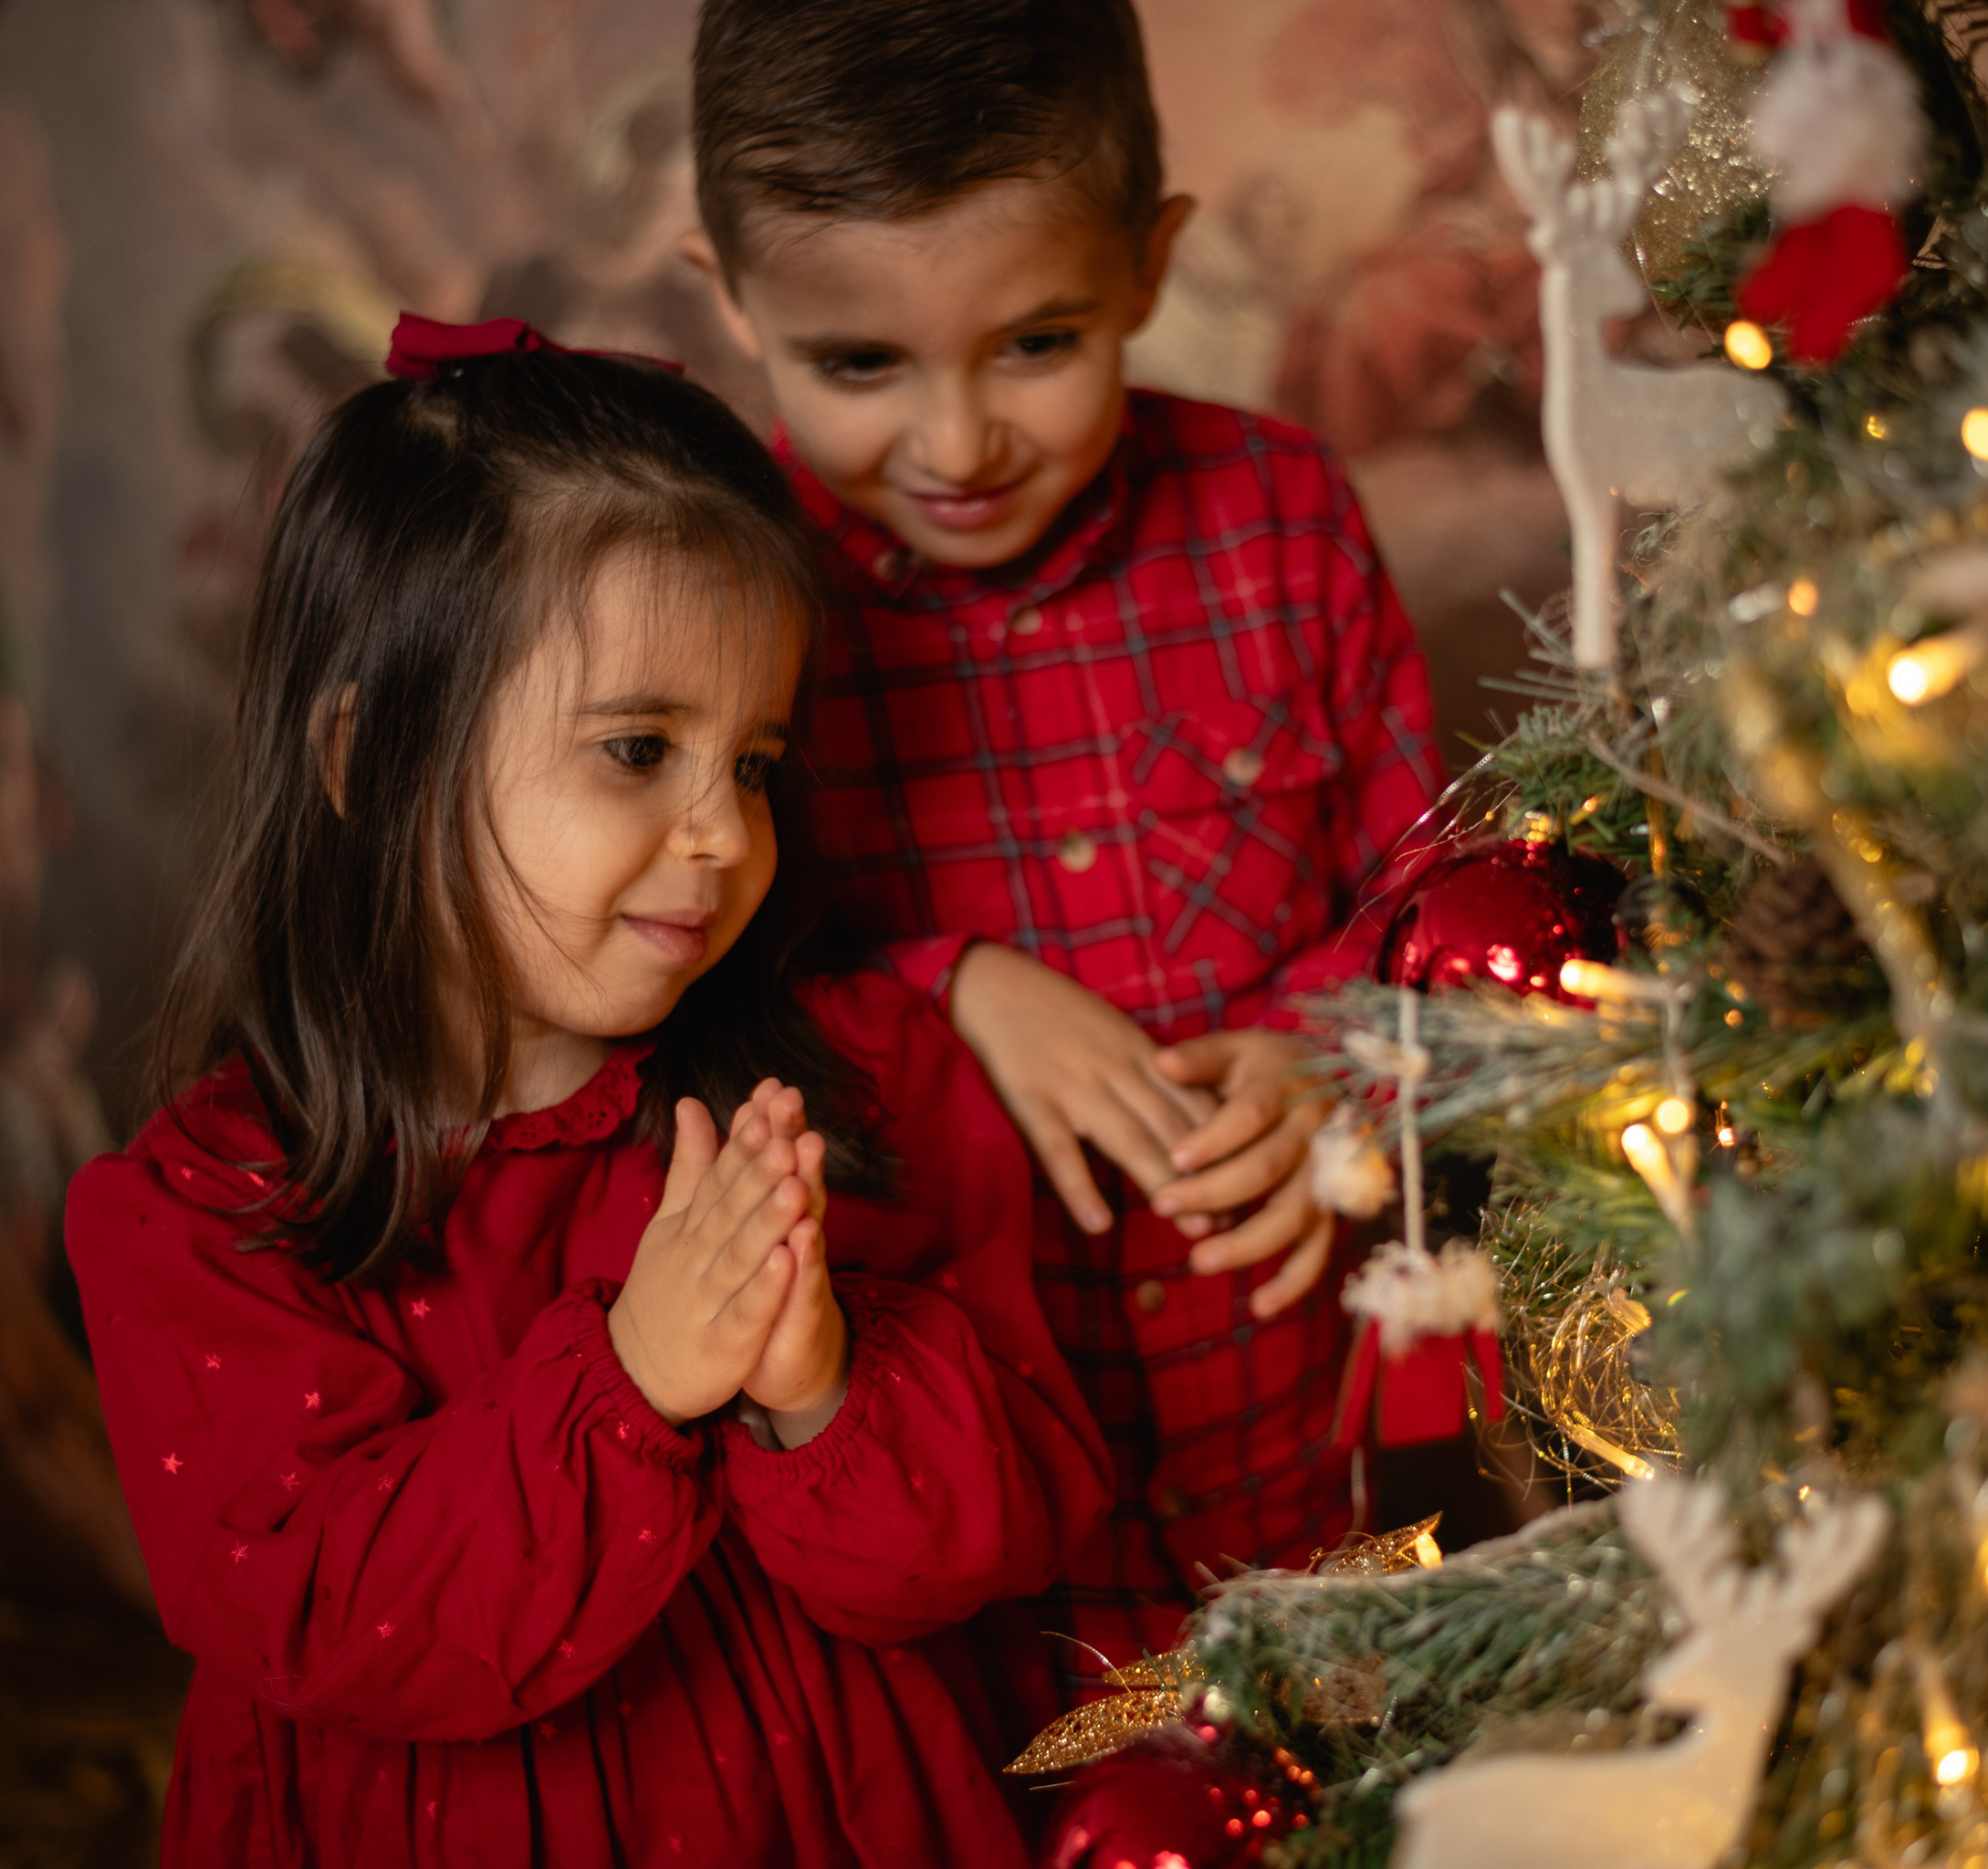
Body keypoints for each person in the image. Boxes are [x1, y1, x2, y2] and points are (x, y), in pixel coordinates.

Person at [62, 317, 1112, 1866]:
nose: (720, 836)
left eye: (754, 762)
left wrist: (816, 1381)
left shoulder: (846, 1088)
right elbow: (334, 1619)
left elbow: (1000, 1536)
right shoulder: (201, 1216)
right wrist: (629, 1380)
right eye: (638, 750)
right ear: (371, 753)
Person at [684, 0, 1441, 1686]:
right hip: (950, 1549)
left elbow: (1423, 893)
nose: (957, 447)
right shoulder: (717, 604)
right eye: (859, 365)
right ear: (732, 298)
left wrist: (1331, 1058)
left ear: (1150, 265)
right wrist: (942, 993)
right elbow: (651, 998)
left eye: (1038, 343)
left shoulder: (1283, 518)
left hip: (1293, 1459)